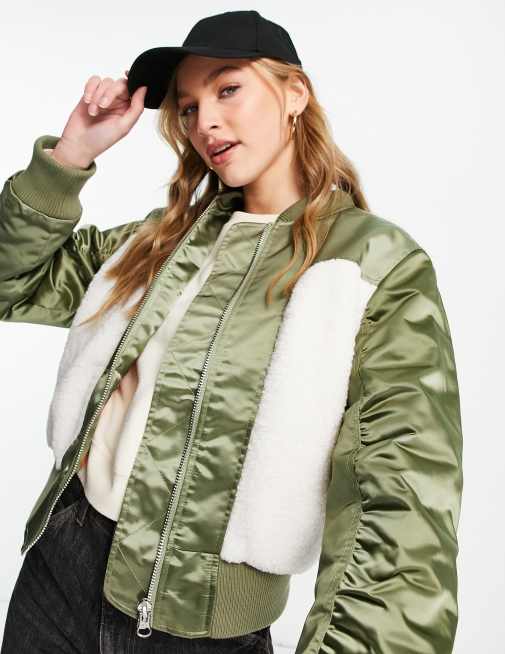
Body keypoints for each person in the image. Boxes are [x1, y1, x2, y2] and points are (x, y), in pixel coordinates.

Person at [0, 9, 463, 654]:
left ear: (294, 93)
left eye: (228, 89)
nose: (205, 123)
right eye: (189, 108)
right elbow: (14, 282)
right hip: (57, 577)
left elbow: (401, 509)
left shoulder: (374, 268)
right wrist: (72, 155)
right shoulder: (161, 242)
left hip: (201, 632)